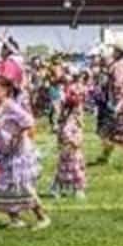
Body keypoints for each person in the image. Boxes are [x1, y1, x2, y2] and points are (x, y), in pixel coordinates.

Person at [0, 66, 50, 229]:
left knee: (22, 186)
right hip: (4, 152)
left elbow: (28, 121)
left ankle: (42, 217)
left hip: (17, 152)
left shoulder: (10, 105)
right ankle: (15, 218)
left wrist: (17, 135)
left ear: (5, 90)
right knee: (2, 185)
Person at [50, 70, 89, 198]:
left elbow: (77, 103)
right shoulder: (63, 93)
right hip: (67, 126)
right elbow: (62, 109)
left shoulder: (77, 90)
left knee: (75, 160)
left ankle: (77, 187)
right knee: (66, 160)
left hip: (73, 127)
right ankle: (58, 187)